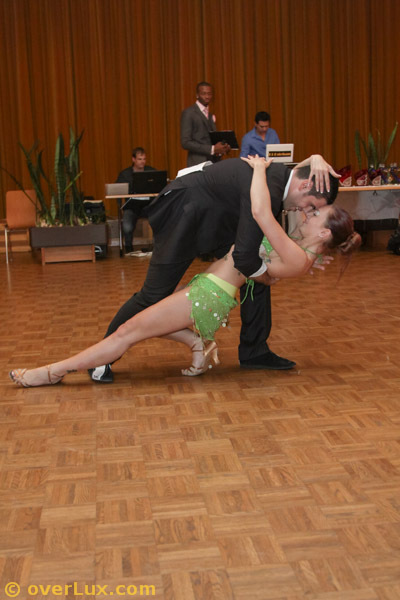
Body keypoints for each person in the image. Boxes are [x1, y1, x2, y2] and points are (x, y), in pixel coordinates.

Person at [9, 157, 361, 388]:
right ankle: (195, 343)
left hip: (209, 293)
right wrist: (313, 159)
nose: (304, 213)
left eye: (314, 213)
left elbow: (255, 233)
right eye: (311, 207)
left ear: (323, 233)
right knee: (151, 303)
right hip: (192, 231)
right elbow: (271, 246)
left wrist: (258, 170)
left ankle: (54, 371)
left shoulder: (288, 231)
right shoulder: (294, 233)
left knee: (131, 331)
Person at [89, 153, 339, 383]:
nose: (305, 211)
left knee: (256, 274)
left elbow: (265, 252)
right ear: (304, 186)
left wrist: (306, 257)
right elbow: (244, 257)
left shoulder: (275, 179)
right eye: (311, 205)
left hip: (213, 219)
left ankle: (254, 351)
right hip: (184, 213)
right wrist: (268, 273)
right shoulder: (271, 188)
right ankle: (101, 357)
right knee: (154, 294)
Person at [180, 81, 231, 167]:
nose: (207, 97)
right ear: (197, 95)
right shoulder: (189, 113)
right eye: (203, 94)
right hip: (197, 163)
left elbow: (210, 139)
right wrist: (212, 149)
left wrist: (222, 147)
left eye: (209, 94)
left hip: (214, 163)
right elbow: (185, 142)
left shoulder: (210, 115)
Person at [116, 147, 156, 254]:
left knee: (158, 219)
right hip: (132, 206)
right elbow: (117, 191)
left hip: (149, 205)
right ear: (133, 159)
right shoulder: (125, 174)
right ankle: (128, 247)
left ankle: (156, 246)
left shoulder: (152, 172)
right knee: (127, 226)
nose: (142, 161)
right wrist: (120, 205)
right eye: (139, 159)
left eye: (144, 159)